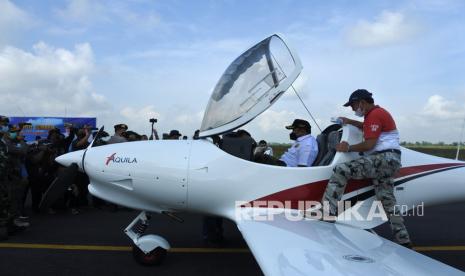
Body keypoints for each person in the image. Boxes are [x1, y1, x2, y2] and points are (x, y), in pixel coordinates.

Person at [322, 89, 412, 247]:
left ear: (362, 102)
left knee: (342, 170)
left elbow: (369, 144)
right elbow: (366, 126)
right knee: (387, 201)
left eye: (353, 105)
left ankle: (327, 214)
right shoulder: (376, 115)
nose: (352, 109)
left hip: (384, 159)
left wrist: (347, 147)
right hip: (390, 161)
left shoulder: (375, 114)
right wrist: (349, 121)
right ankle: (404, 240)